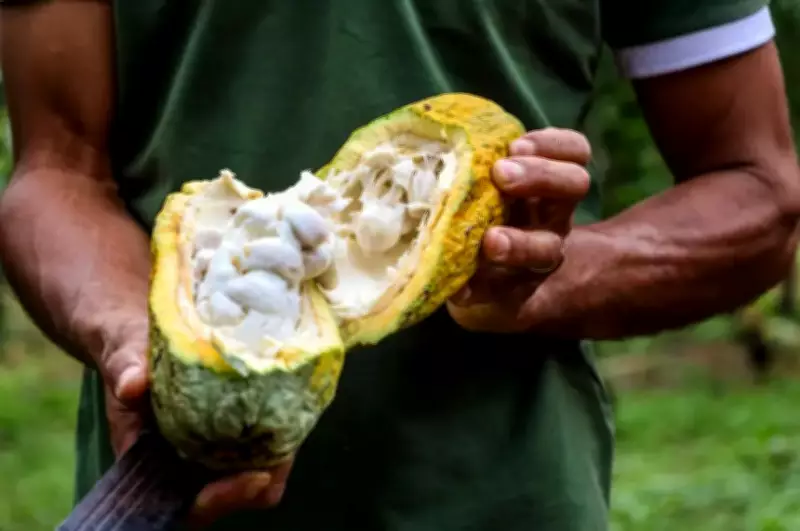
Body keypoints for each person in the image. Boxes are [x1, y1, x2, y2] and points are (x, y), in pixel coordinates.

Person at [1, 1, 797, 529]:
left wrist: (547, 274)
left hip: (499, 499)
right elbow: (57, 169)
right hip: (169, 503)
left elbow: (760, 191)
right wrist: (135, 342)